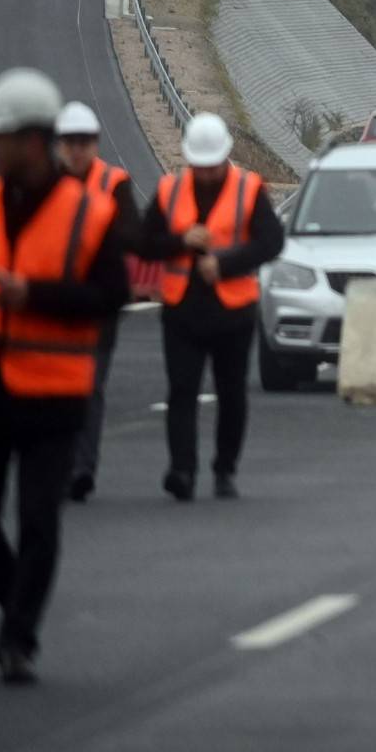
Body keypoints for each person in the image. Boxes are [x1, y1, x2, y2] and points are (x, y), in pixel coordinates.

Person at [0, 69, 128, 684]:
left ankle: (17, 636)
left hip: (53, 395)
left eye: (0, 137)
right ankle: (17, 604)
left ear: (31, 140)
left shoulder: (92, 214)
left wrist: (36, 296)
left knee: (37, 519)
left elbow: (111, 294)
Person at [142, 113, 284, 502]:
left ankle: (224, 469)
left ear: (225, 158)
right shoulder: (170, 190)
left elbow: (271, 242)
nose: (204, 174)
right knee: (182, 391)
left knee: (232, 393)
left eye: (211, 166)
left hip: (233, 311)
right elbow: (143, 240)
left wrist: (225, 263)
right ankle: (182, 471)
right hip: (182, 310)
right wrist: (180, 241)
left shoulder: (248, 189)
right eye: (198, 166)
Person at [52, 102, 143, 503]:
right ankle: (57, 463)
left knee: (90, 386)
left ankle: (82, 468)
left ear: (95, 143)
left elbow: (131, 235)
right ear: (58, 145)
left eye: (84, 142)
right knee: (53, 388)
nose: (76, 149)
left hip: (99, 303)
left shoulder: (114, 182)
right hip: (52, 302)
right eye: (69, 142)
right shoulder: (44, 183)